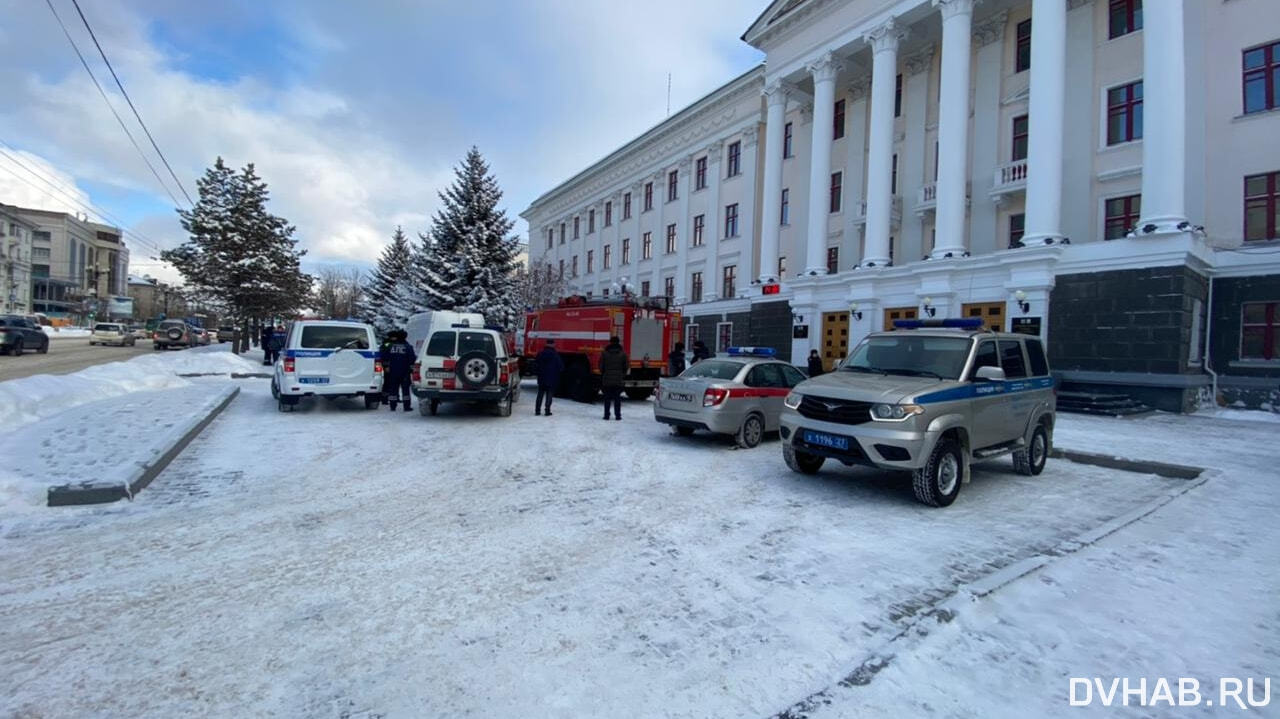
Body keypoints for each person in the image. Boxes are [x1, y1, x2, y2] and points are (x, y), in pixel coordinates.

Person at [380, 329, 416, 412]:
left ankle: (393, 406)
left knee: (393, 388)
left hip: (393, 371)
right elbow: (412, 359)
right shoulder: (408, 347)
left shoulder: (390, 346)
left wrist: (386, 367)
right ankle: (406, 406)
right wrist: (411, 369)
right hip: (405, 372)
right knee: (405, 389)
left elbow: (384, 357)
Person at [599, 335, 628, 421]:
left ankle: (606, 415)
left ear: (610, 342)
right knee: (617, 398)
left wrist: (604, 373)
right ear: (618, 342)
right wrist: (622, 375)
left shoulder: (604, 353)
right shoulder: (623, 354)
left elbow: (601, 366)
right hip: (618, 379)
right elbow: (626, 366)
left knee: (607, 398)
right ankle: (618, 416)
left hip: (607, 379)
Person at [534, 339, 563, 416]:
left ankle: (537, 410)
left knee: (540, 394)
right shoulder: (555, 355)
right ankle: (547, 411)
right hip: (551, 378)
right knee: (549, 394)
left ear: (546, 344)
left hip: (542, 378)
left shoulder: (540, 353)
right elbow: (561, 367)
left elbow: (535, 365)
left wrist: (538, 373)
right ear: (553, 344)